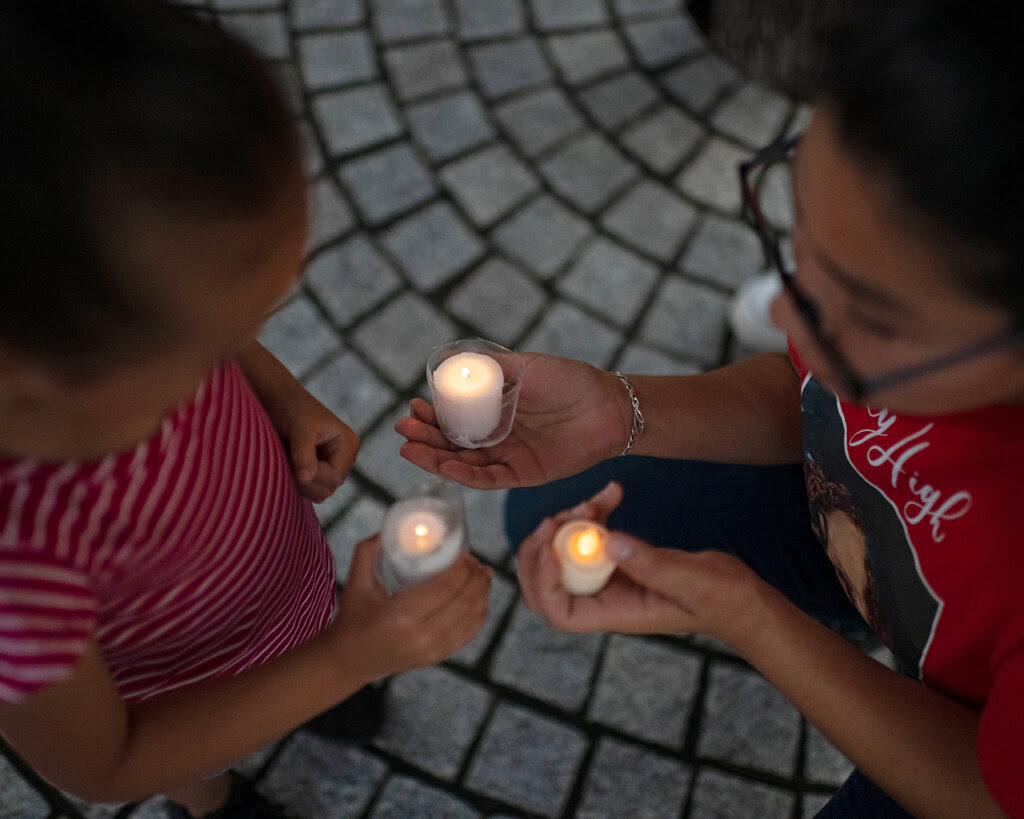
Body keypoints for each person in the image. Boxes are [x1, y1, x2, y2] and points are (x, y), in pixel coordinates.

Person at [396, 0, 1024, 814]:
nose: (790, 318)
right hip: (862, 522)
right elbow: (808, 397)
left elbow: (986, 792)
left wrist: (751, 617)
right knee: (543, 506)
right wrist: (619, 410)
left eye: (870, 315)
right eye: (799, 242)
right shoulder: (906, 303)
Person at [0, 3, 491, 818]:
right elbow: (110, 761)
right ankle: (217, 802)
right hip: (183, 692)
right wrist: (349, 656)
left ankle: (317, 672)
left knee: (312, 628)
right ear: (35, 365)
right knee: (207, 756)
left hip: (279, 571)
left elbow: (207, 335)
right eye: (214, 345)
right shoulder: (19, 568)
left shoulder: (113, 331)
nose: (235, 353)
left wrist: (283, 396)